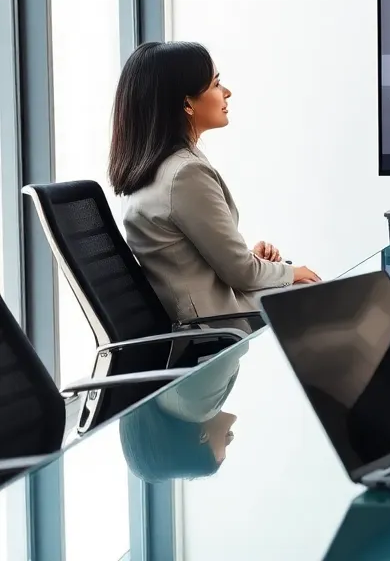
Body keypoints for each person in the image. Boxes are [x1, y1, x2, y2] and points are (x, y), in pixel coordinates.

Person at [110, 41, 319, 325]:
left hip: (208, 317)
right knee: (319, 293)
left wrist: (253, 260)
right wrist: (292, 272)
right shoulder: (185, 174)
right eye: (216, 84)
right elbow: (241, 273)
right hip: (218, 329)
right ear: (186, 103)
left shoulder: (156, 168)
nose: (227, 93)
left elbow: (192, 260)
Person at [119, 344, 246, 482]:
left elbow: (239, 335)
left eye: (221, 458)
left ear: (202, 437)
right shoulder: (170, 400)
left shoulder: (194, 405)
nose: (229, 440)